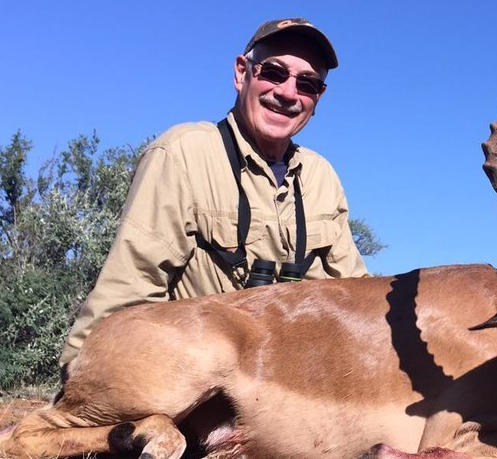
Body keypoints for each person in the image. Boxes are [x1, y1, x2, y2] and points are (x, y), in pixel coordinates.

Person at [60, 18, 369, 367]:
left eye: (307, 83)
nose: (287, 93)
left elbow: (356, 299)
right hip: (195, 379)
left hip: (289, 385)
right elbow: (128, 293)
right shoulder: (182, 154)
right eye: (274, 72)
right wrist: (80, 384)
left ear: (318, 97)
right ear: (241, 72)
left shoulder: (321, 177)